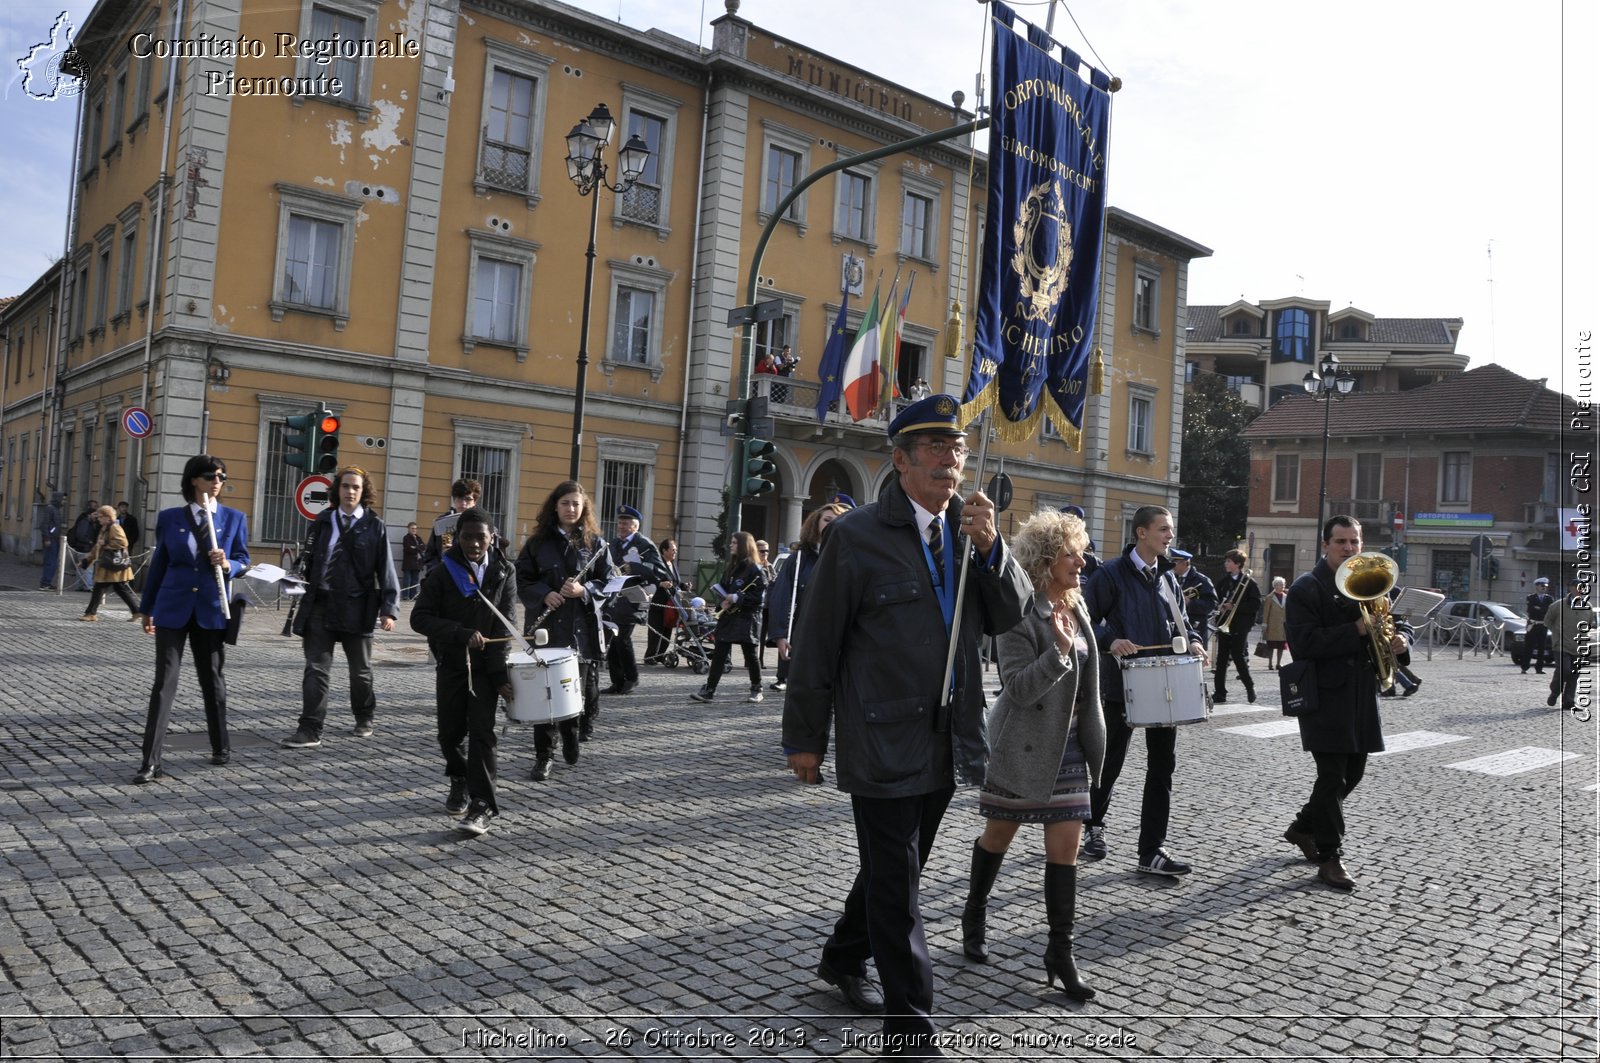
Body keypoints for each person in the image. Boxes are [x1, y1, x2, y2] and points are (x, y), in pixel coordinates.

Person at [782, 393, 1031, 1057]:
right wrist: (805, 738)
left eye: (957, 449)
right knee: (899, 886)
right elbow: (816, 643)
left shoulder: (966, 534)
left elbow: (1012, 613)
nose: (952, 462)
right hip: (879, 736)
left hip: (949, 737)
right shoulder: (858, 536)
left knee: (899, 868)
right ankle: (910, 1030)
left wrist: (994, 549)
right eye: (935, 449)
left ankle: (842, 954)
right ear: (900, 460)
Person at [959, 509, 1105, 1002]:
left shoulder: (1076, 604)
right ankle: (974, 910)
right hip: (1023, 744)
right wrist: (1057, 654)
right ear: (1045, 560)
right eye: (1070, 553)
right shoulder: (1016, 612)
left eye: (1079, 551)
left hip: (1069, 749)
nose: (1080, 561)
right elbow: (1016, 688)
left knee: (1064, 850)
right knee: (999, 835)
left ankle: (1060, 953)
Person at [1282, 515, 1414, 891]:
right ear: (1326, 545)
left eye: (1354, 541)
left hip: (1360, 690)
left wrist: (1401, 641)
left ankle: (1303, 827)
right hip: (1323, 693)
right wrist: (1353, 629)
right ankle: (1330, 856)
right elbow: (1304, 644)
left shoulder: (1371, 582)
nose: (1350, 548)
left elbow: (1395, 622)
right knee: (1333, 775)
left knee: (1352, 774)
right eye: (1341, 542)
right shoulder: (1306, 588)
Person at [1081, 504, 1207, 876]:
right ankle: (1093, 827)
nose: (1170, 536)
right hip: (1122, 684)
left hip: (1166, 684)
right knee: (1110, 763)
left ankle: (1151, 850)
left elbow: (1181, 624)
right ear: (1141, 532)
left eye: (1170, 530)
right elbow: (1085, 620)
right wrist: (1111, 640)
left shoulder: (1169, 578)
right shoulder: (1110, 574)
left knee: (1162, 768)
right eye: (1163, 529)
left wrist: (1195, 640)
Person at [132, 456, 250, 782]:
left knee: (212, 680)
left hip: (211, 608)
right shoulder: (170, 518)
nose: (217, 481)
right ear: (194, 480)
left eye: (222, 476)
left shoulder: (233, 518)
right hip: (172, 607)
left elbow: (244, 559)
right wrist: (147, 608)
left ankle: (220, 744)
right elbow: (159, 565)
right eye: (210, 476)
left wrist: (228, 565)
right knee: (164, 684)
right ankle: (151, 761)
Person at [410, 507, 516, 836]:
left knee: (483, 736)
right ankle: (459, 777)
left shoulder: (504, 570)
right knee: (449, 736)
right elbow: (419, 618)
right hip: (453, 664)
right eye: (467, 537)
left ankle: (482, 805)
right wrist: (458, 633)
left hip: (486, 670)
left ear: (491, 538)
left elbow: (506, 623)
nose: (473, 543)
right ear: (458, 538)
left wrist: (500, 677)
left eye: (480, 537)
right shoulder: (444, 572)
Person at [282, 466, 401, 748]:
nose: (350, 491)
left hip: (357, 607)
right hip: (320, 605)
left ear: (363, 492)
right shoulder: (323, 522)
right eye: (345, 486)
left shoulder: (374, 526)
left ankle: (364, 715)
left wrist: (389, 608)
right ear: (337, 490)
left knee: (360, 671)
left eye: (355, 487)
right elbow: (308, 562)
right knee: (316, 669)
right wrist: (292, 578)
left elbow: (385, 568)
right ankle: (310, 728)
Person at [517, 480, 615, 780]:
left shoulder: (596, 544)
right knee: (542, 695)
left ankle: (571, 736)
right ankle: (544, 755)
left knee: (572, 693)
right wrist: (544, 593)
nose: (571, 508)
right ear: (555, 506)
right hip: (545, 629)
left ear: (583, 507)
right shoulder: (537, 543)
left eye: (576, 503)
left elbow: (610, 583)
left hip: (578, 631)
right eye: (565, 503)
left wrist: (584, 590)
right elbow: (522, 580)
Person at [767, 502, 850, 692]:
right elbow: (782, 597)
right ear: (816, 524)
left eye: (838, 520)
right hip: (807, 632)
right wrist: (780, 635)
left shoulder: (851, 557)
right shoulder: (798, 560)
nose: (831, 524)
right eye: (827, 520)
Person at [690, 531, 767, 703]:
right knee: (719, 653)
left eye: (734, 542)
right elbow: (724, 588)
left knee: (750, 655)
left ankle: (757, 689)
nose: (730, 545)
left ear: (743, 545)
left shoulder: (755, 569)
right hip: (729, 616)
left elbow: (759, 598)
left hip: (747, 617)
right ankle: (709, 690)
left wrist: (737, 598)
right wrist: (722, 601)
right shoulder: (731, 567)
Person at [604, 505, 666, 695]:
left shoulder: (644, 544)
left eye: (626, 523)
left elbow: (660, 571)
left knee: (622, 638)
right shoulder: (613, 544)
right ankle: (617, 680)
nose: (621, 527)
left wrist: (636, 569)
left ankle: (631, 678)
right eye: (620, 523)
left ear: (635, 526)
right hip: (613, 599)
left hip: (633, 597)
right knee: (613, 641)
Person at [1211, 549, 1262, 703]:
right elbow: (1217, 599)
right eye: (1226, 561)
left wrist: (1234, 606)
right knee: (1221, 660)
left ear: (1238, 564)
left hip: (1240, 625)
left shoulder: (1249, 583)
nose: (1226, 564)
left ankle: (1249, 687)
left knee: (1239, 657)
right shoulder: (1223, 582)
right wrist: (1220, 606)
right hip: (1224, 624)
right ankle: (1220, 692)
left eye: (1229, 561)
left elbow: (1255, 604)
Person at [80, 504, 140, 621]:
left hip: (112, 565)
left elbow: (123, 542)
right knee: (120, 589)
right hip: (110, 565)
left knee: (99, 587)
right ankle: (136, 611)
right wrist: (87, 560)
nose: (98, 519)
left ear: (108, 517)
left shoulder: (114, 527)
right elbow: (98, 546)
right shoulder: (105, 528)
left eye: (100, 516)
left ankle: (91, 613)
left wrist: (106, 544)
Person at [1543, 577, 1588, 712]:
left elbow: (1590, 624)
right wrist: (1557, 634)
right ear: (1570, 588)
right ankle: (1555, 691)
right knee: (1565, 670)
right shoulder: (1558, 605)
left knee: (1574, 673)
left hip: (1578, 646)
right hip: (1561, 645)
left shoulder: (1588, 607)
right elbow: (1547, 621)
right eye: (1577, 587)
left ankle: (1568, 701)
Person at [422, 478, 481, 574]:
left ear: (474, 501)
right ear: (454, 500)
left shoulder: (481, 523)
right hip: (444, 580)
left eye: (468, 499)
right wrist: (436, 572)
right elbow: (430, 554)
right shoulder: (442, 523)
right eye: (460, 498)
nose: (463, 503)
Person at [644, 538, 685, 664]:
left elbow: (675, 583)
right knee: (656, 632)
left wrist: (684, 586)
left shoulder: (673, 564)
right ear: (664, 550)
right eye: (673, 550)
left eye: (676, 550)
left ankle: (660, 655)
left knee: (667, 632)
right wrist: (660, 583)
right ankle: (650, 656)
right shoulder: (658, 563)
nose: (675, 552)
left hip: (671, 605)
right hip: (659, 602)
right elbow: (649, 579)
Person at [1171, 549, 1216, 646]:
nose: (1173, 565)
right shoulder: (1172, 579)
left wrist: (1190, 603)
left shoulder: (1202, 580)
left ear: (1185, 563)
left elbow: (1212, 604)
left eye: (1175, 562)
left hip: (1195, 625)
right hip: (1176, 625)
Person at [1524, 576, 1554, 675]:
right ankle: (1525, 667)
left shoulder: (1549, 598)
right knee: (1529, 646)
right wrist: (1542, 609)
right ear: (1536, 586)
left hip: (1543, 625)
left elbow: (1550, 611)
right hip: (1533, 624)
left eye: (1545, 586)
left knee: (1542, 648)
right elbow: (1531, 610)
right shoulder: (1531, 597)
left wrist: (1539, 608)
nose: (1544, 588)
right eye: (1542, 586)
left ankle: (1539, 668)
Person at [37, 490, 65, 590]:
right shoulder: (50, 509)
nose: (64, 501)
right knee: (50, 562)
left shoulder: (56, 509)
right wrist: (47, 538)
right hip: (51, 539)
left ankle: (46, 582)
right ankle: (45, 583)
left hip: (55, 539)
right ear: (58, 499)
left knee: (52, 562)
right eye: (63, 499)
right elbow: (45, 524)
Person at [1262, 575, 1289, 670]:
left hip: (1282, 626)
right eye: (1280, 584)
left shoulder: (1286, 597)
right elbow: (1266, 612)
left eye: (1283, 584)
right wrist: (1264, 624)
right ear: (1275, 586)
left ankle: (1278, 663)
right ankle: (1270, 664)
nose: (1283, 586)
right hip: (1272, 626)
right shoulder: (1270, 597)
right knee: (1271, 646)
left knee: (1281, 646)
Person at [401, 521, 426, 601]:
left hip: (417, 563)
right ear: (408, 529)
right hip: (408, 563)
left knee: (415, 581)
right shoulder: (406, 538)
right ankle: (405, 596)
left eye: (415, 528)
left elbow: (424, 547)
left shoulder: (418, 538)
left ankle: (413, 596)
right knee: (407, 581)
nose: (414, 530)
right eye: (412, 528)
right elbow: (408, 549)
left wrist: (415, 547)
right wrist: (418, 548)